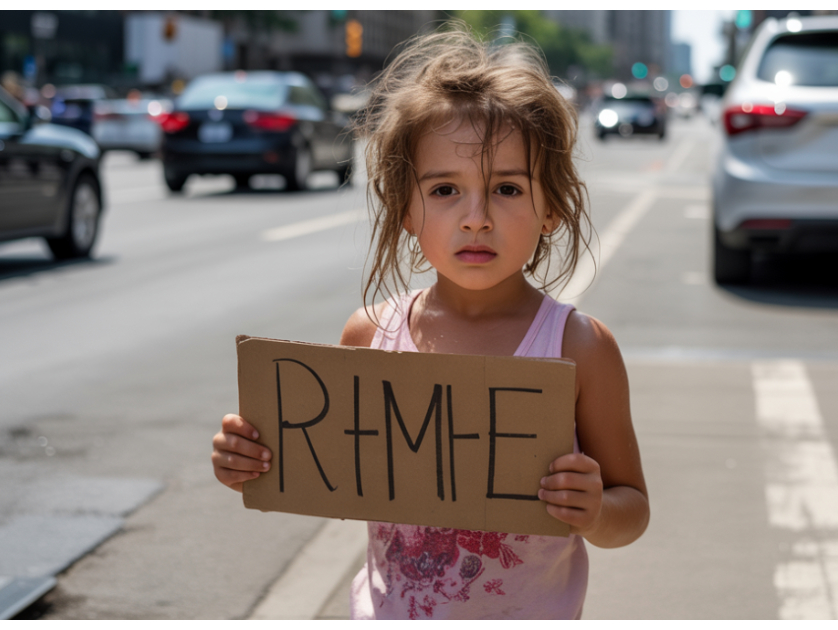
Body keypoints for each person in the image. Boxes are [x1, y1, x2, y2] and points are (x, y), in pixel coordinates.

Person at [211, 25, 649, 620]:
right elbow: (320, 468)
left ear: (550, 208)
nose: (475, 218)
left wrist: (596, 510)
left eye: (507, 189)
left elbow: (632, 509)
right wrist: (251, 460)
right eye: (445, 189)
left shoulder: (579, 348)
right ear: (407, 209)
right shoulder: (368, 336)